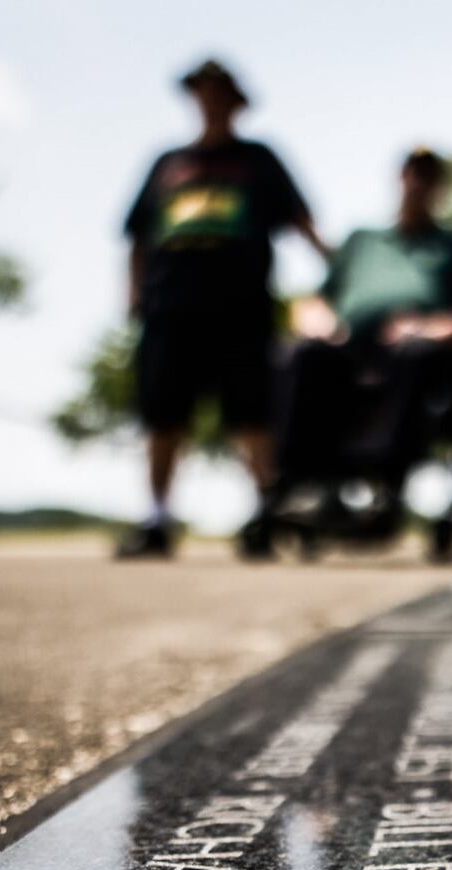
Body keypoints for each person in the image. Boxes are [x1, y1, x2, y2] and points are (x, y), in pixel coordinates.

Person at [115, 58, 330, 560]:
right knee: (164, 415)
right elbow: (139, 235)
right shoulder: (168, 164)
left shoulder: (258, 159)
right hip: (172, 305)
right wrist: (134, 293)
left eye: (220, 91)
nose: (210, 100)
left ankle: (267, 513)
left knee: (252, 413)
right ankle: (158, 519)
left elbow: (301, 220)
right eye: (203, 91)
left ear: (236, 101)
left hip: (241, 305)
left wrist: (336, 273)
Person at [280, 148, 452, 541]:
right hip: (347, 356)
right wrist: (317, 322)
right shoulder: (362, 240)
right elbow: (316, 300)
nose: (418, 184)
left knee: (413, 354)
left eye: (428, 177)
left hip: (415, 360)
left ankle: (385, 486)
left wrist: (432, 328)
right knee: (303, 354)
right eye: (412, 174)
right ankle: (308, 485)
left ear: (440, 188)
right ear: (399, 179)